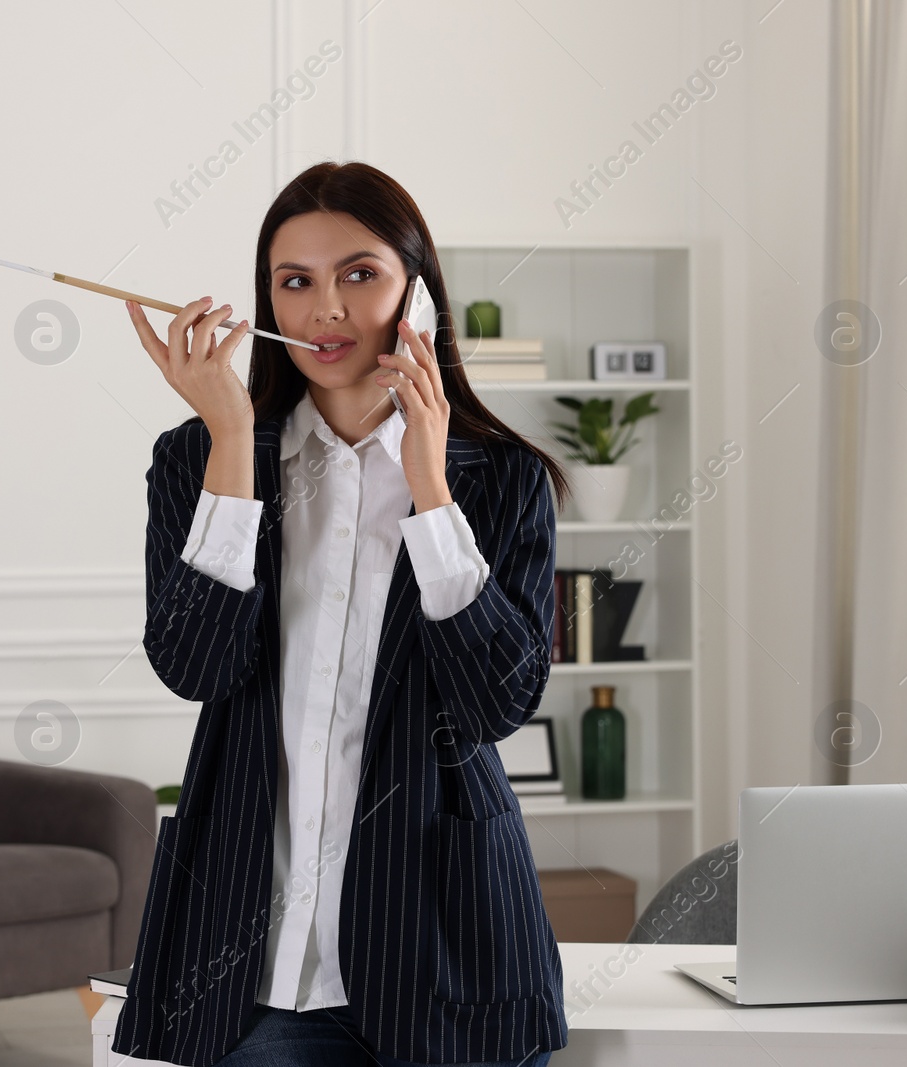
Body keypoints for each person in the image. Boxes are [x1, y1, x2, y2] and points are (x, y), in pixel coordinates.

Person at [109, 161, 570, 1067]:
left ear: (418, 296)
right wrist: (234, 441)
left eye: (359, 274)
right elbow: (195, 669)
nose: (326, 310)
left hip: (450, 953)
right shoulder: (198, 459)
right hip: (250, 971)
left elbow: (499, 704)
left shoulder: (504, 478)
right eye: (296, 282)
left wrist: (430, 488)